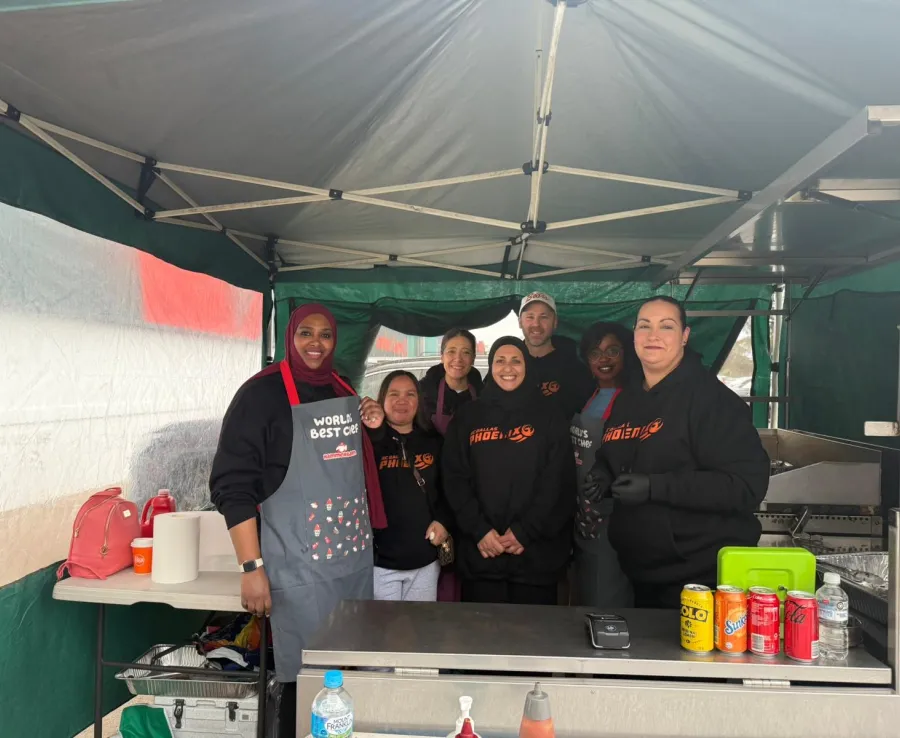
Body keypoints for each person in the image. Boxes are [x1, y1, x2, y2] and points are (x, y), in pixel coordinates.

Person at [209, 303, 387, 737]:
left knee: (344, 687)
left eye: (325, 334)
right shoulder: (261, 394)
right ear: (289, 337)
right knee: (301, 689)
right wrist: (251, 568)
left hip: (350, 568)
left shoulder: (341, 388)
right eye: (305, 332)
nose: (315, 343)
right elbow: (233, 487)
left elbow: (357, 471)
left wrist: (374, 426)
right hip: (296, 571)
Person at [583, 296, 770, 608]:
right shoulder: (629, 398)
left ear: (685, 335)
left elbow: (746, 486)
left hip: (700, 579)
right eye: (645, 326)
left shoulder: (710, 400)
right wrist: (602, 474)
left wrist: (654, 487)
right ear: (634, 336)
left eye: (666, 326)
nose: (653, 335)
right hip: (641, 573)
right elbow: (614, 451)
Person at [442, 336, 575, 605]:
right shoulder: (469, 416)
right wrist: (479, 530)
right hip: (482, 555)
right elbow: (454, 478)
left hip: (534, 558)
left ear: (528, 366)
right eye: (500, 361)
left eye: (516, 360)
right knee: (482, 640)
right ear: (490, 367)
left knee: (533, 641)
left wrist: (525, 531)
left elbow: (558, 482)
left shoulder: (550, 415)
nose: (508, 367)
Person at [372, 370, 454, 601]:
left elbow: (451, 489)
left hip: (425, 560)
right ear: (382, 399)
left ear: (419, 400)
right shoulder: (368, 442)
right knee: (385, 633)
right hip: (381, 563)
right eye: (394, 394)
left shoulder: (434, 441)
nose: (402, 401)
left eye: (410, 394)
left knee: (420, 632)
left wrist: (444, 522)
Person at [570, 321, 636, 608]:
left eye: (613, 351)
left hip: (614, 516)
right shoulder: (590, 397)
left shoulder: (634, 400)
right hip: (584, 514)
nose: (603, 359)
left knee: (609, 595)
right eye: (595, 353)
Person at [518, 291, 594, 421]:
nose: (536, 324)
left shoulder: (575, 369)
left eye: (544, 317)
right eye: (530, 317)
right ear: (520, 322)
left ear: (555, 322)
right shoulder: (506, 365)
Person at [420, 328, 483, 435]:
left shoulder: (482, 395)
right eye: (451, 351)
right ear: (442, 357)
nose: (458, 358)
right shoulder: (423, 393)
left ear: (473, 358)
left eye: (466, 352)